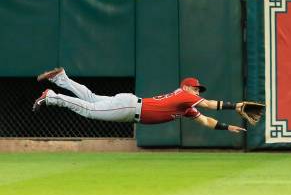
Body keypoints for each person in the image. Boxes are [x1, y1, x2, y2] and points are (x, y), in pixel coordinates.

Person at [33, 68, 247, 133]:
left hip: (130, 104)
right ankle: (53, 97)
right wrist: (235, 105)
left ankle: (61, 78)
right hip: (131, 108)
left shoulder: (186, 106)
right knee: (90, 109)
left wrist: (228, 127)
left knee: (91, 98)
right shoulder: (184, 94)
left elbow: (206, 120)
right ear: (186, 87)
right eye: (196, 88)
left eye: (198, 89)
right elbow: (209, 105)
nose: (197, 91)